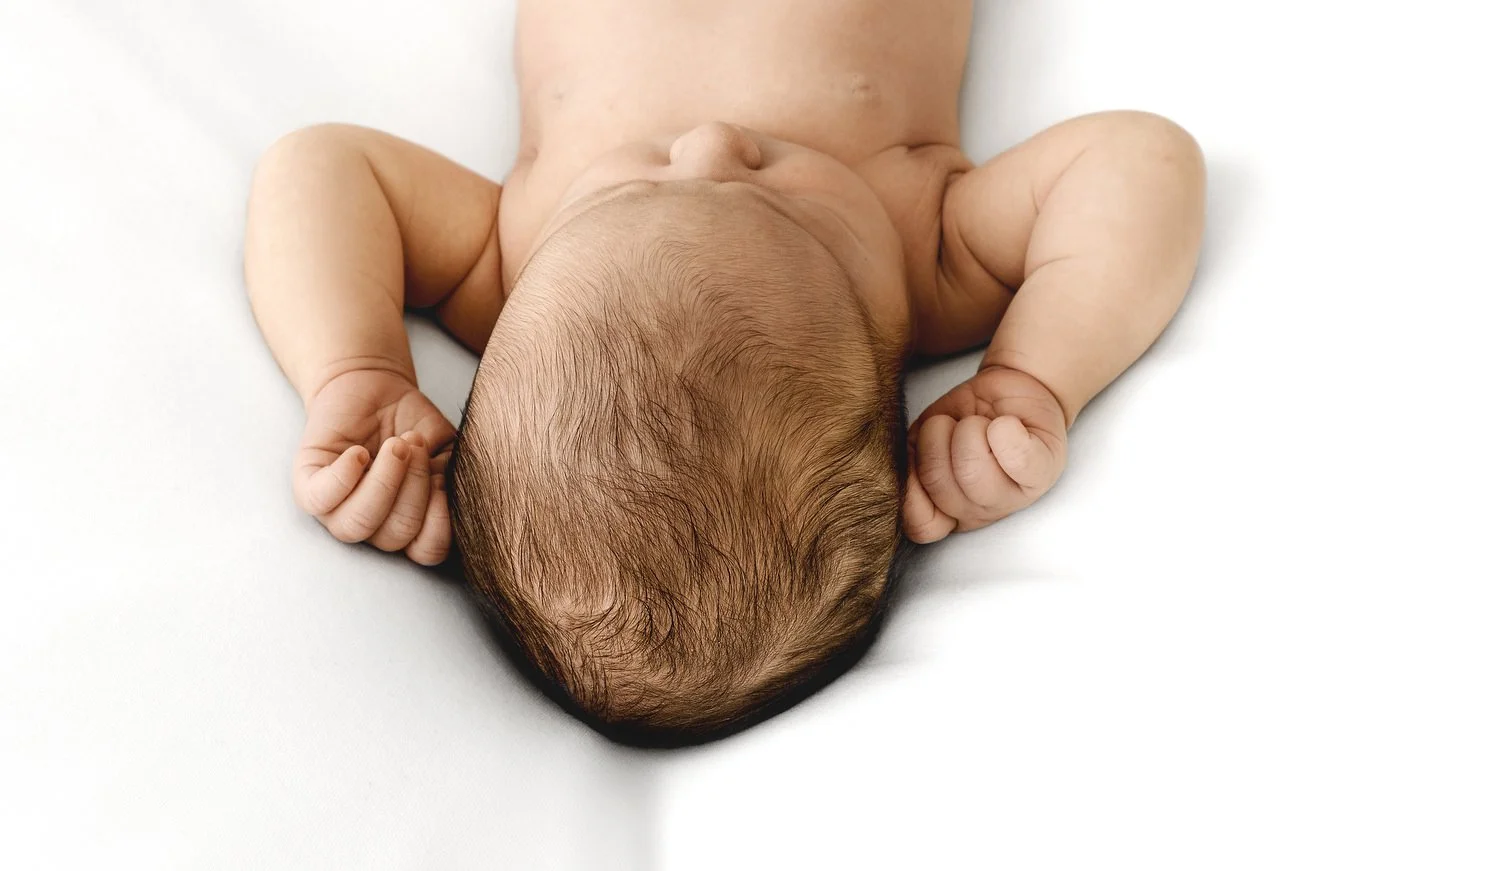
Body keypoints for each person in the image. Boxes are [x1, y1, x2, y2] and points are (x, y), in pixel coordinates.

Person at [244, 0, 1206, 745]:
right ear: (891, 377)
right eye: (788, 204)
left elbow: (319, 169)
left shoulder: (511, 258)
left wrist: (353, 366)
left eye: (632, 183)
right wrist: (1035, 375)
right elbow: (1142, 160)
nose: (711, 141)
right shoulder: (926, 255)